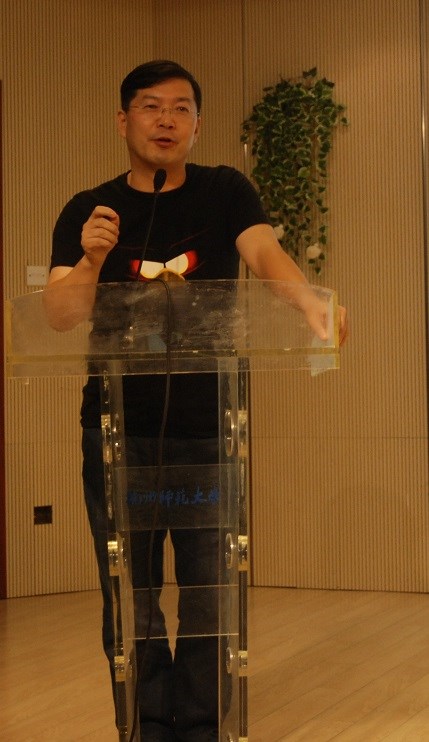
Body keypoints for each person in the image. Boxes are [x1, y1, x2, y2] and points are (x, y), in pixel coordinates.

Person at [45, 60, 348, 742]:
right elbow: (60, 316)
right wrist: (92, 260)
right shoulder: (90, 209)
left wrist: (309, 301)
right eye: (151, 107)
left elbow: (264, 256)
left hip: (210, 428)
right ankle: (145, 726)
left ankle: (203, 727)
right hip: (117, 433)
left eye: (181, 108)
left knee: (211, 592)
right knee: (132, 596)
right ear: (123, 120)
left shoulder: (224, 191)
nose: (166, 120)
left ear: (197, 125)